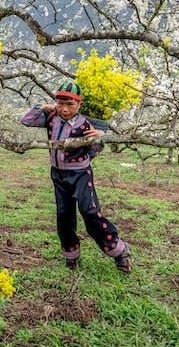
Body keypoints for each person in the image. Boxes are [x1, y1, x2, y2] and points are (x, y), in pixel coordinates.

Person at [20, 81, 132, 273]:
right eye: (60, 104)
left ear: (79, 104)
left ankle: (119, 251)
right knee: (64, 215)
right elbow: (25, 120)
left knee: (90, 212)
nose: (64, 109)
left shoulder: (86, 123)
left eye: (70, 104)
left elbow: (104, 140)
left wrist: (101, 135)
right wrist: (43, 107)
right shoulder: (51, 118)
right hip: (58, 174)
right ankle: (71, 256)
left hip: (81, 175)